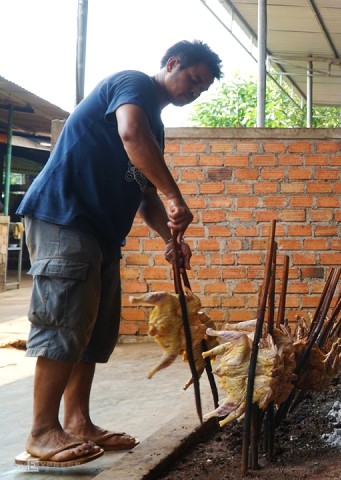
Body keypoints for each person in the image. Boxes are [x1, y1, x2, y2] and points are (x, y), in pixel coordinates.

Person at [15, 40, 222, 467]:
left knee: (92, 330)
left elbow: (144, 198)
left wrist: (171, 237)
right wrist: (175, 197)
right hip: (64, 217)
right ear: (172, 63)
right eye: (194, 79)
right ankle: (40, 431)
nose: (194, 91)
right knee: (65, 320)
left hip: (102, 234)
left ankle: (76, 421)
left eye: (202, 89)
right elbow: (130, 134)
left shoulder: (156, 128)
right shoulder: (133, 86)